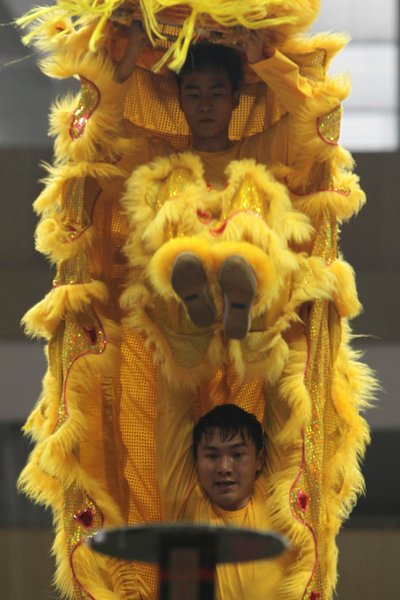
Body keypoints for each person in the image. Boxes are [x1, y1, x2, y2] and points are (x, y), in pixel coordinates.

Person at [18, 6, 374, 600]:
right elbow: (98, 154)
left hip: (257, 308)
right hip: (180, 314)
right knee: (165, 207)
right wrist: (122, 67)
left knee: (259, 206)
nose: (226, 467)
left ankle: (242, 299)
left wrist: (263, 57)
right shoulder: (158, 163)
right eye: (194, 91)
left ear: (236, 98)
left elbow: (316, 119)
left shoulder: (260, 149)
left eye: (216, 91)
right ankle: (198, 298)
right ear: (179, 98)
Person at [157, 393, 290, 599]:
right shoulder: (185, 500)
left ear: (260, 459)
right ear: (195, 461)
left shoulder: (276, 497)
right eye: (211, 456)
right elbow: (174, 399)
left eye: (237, 455)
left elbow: (282, 397)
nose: (224, 468)